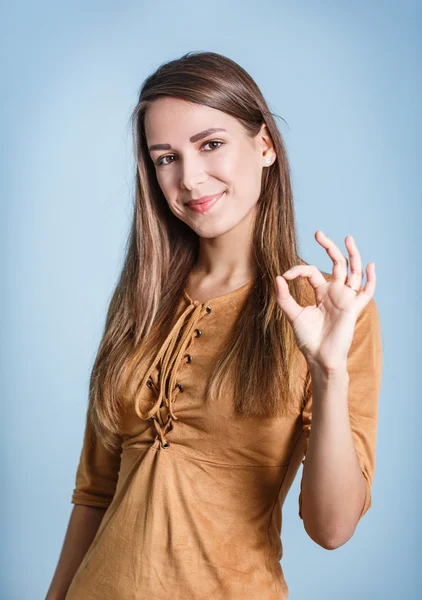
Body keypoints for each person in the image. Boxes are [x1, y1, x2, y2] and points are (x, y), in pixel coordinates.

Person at [45, 51, 383, 600]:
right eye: (165, 158)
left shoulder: (330, 310)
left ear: (265, 145)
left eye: (211, 144)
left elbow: (332, 528)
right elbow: (94, 493)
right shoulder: (139, 299)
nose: (189, 176)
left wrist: (328, 370)